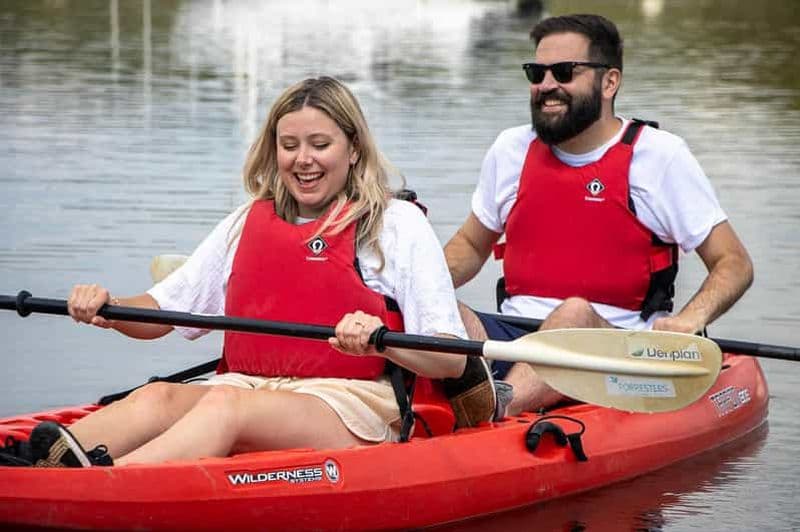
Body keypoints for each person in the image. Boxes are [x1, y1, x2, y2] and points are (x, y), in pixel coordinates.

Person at [1, 76, 495, 468]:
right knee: (157, 397)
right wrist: (106, 309)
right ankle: (32, 462)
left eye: (319, 144)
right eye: (289, 145)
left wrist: (382, 336)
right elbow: (161, 313)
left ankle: (101, 483)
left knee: (224, 406)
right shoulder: (245, 222)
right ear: (273, 149)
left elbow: (449, 361)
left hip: (351, 403)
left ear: (353, 149)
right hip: (246, 386)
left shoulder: (396, 224)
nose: (303, 160)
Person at [444, 14, 753, 416]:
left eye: (564, 72)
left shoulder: (659, 156)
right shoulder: (510, 149)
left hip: (617, 352)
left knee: (573, 312)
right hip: (514, 338)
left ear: (610, 82)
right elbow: (470, 244)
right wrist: (415, 289)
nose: (547, 85)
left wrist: (689, 321)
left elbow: (734, 263)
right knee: (438, 309)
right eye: (537, 73)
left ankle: (498, 407)